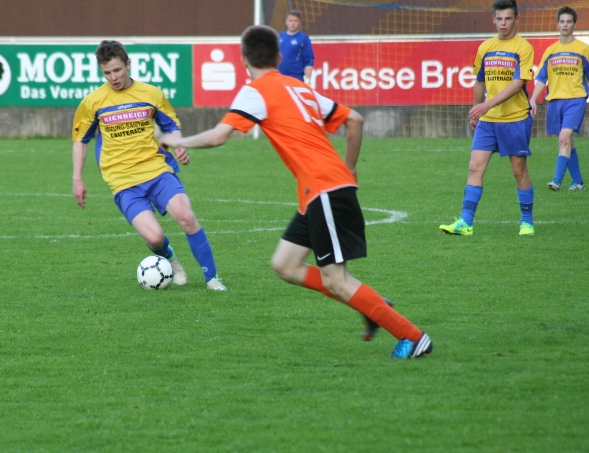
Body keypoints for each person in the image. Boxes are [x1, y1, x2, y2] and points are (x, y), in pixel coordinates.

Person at [161, 25, 432, 359]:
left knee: (336, 280)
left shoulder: (256, 91)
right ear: (279, 57)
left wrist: (176, 140)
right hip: (320, 191)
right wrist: (350, 168)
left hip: (325, 188)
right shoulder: (300, 87)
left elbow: (218, 136)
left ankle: (413, 336)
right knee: (285, 264)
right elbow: (355, 120)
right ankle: (370, 304)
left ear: (244, 60)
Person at [71, 40, 226, 290]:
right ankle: (172, 260)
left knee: (186, 217)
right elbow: (81, 140)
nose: (113, 77)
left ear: (128, 64)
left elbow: (170, 127)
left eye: (117, 70)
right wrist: (77, 178)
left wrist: (179, 145)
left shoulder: (151, 94)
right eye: (107, 73)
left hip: (156, 170)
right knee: (154, 239)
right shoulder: (93, 102)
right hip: (123, 181)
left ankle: (212, 279)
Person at [440, 0, 535, 237]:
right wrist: (476, 111)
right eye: (499, 19)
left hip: (515, 118)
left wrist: (486, 105)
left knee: (518, 170)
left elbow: (517, 84)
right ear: (493, 19)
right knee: (475, 167)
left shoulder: (523, 48)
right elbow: (479, 81)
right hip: (488, 121)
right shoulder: (485, 47)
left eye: (508, 18)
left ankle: (527, 222)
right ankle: (465, 222)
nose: (503, 23)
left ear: (516, 19)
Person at [529, 6, 589, 192]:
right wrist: (533, 99)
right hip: (555, 101)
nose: (565, 25)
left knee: (564, 138)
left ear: (574, 25)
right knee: (566, 141)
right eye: (562, 21)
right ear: (557, 24)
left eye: (569, 22)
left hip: (576, 99)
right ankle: (578, 182)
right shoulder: (551, 51)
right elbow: (541, 78)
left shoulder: (583, 50)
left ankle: (556, 180)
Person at [278, 10, 314, 82]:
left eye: (295, 21)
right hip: (279, 77)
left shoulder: (303, 38)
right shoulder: (279, 37)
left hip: (295, 77)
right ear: (286, 22)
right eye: (290, 20)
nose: (293, 23)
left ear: (299, 23)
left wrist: (308, 80)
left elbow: (308, 60)